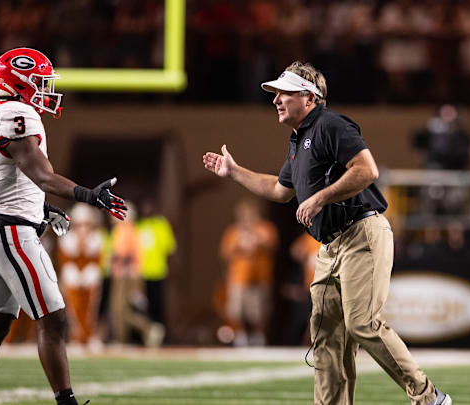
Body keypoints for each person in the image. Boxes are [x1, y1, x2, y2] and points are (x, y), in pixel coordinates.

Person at [202, 61, 451, 405]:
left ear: (308, 97)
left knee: (362, 323)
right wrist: (234, 171)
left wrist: (321, 197)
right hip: (331, 245)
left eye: (284, 92)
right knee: (327, 336)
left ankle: (428, 398)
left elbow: (367, 170)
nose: (276, 99)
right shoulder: (297, 139)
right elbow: (279, 189)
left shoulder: (330, 124)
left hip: (361, 232)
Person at [0, 47, 127, 405]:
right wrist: (87, 194)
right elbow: (41, 175)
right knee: (53, 320)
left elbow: (14, 181)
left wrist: (42, 209)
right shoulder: (18, 114)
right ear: (20, 83)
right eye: (39, 82)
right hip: (12, 234)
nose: (45, 89)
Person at [219, 198, 277, 346]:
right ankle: (241, 336)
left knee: (258, 311)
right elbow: (226, 252)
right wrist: (241, 242)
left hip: (259, 277)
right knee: (236, 310)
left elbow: (271, 245)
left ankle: (259, 336)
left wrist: (254, 236)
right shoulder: (234, 232)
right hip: (238, 277)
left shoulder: (264, 228)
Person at [108, 203, 164, 347]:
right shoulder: (131, 229)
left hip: (125, 275)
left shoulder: (124, 230)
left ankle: (128, 336)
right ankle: (145, 329)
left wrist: (114, 258)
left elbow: (125, 255)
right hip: (129, 274)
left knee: (119, 310)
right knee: (124, 310)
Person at [57, 203, 105, 347]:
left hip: (90, 277)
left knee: (90, 309)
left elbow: (97, 260)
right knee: (73, 309)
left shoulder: (97, 238)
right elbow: (65, 260)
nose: (83, 228)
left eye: (86, 224)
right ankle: (77, 337)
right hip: (72, 277)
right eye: (80, 224)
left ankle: (90, 335)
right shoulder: (66, 238)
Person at [135, 199, 176, 326]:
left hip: (157, 271)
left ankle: (158, 330)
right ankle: (142, 333)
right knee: (140, 304)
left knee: (157, 303)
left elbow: (169, 248)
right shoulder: (138, 226)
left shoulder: (161, 225)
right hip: (140, 272)